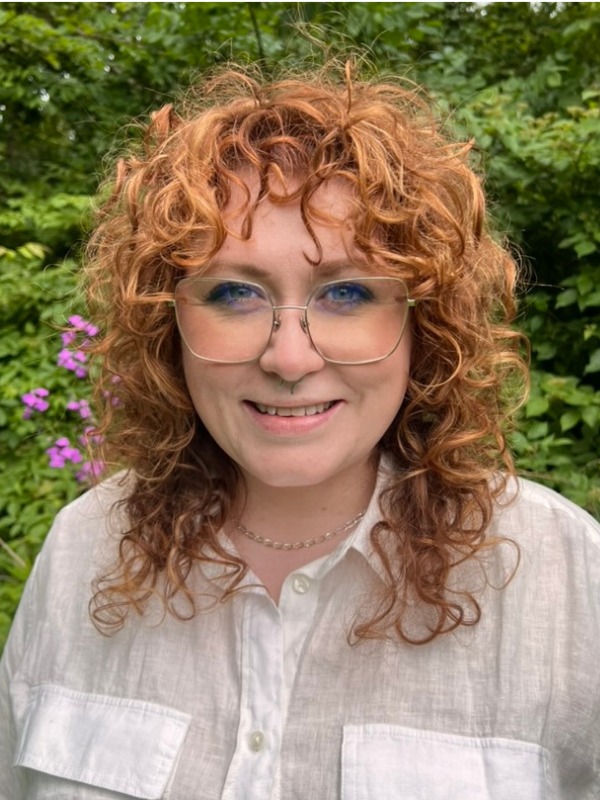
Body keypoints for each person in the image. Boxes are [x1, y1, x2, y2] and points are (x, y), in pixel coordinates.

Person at [1, 62, 599, 800]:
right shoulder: (82, 550)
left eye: (347, 292)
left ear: (427, 324)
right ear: (167, 323)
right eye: (233, 292)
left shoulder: (567, 581)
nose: (289, 358)